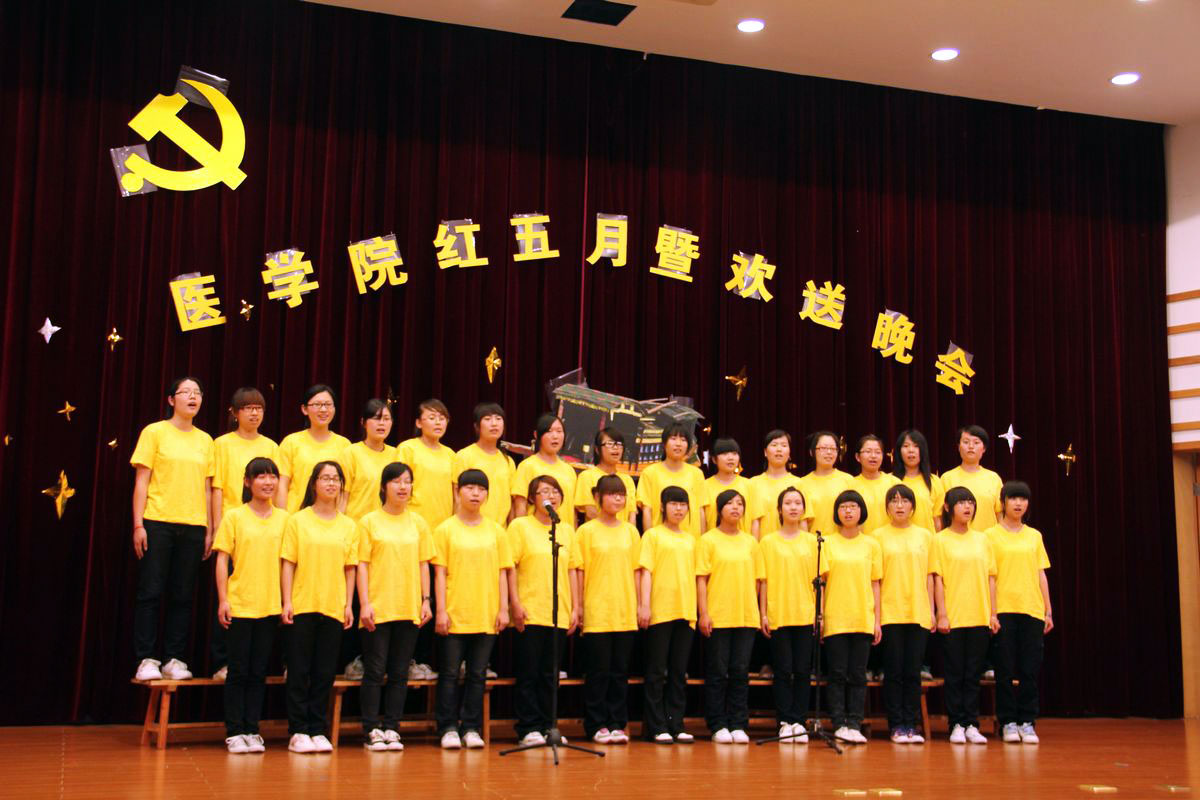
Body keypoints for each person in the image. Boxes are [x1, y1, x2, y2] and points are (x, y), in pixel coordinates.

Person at [131, 376, 215, 682]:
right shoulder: (154, 432)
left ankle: (174, 659)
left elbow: (207, 489)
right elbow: (142, 481)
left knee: (183, 595)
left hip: (194, 526)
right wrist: (138, 524)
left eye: (198, 393)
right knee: (151, 592)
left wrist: (210, 529)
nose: (193, 397)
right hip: (158, 522)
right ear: (171, 399)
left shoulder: (206, 440)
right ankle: (146, 658)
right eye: (186, 392)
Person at [280, 461, 358, 753]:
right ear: (314, 484)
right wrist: (287, 600)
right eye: (325, 478)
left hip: (334, 605)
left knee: (325, 672)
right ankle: (298, 730)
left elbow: (350, 568)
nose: (331, 483)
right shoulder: (297, 521)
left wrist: (348, 604)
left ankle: (317, 728)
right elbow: (288, 563)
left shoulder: (348, 525)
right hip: (302, 604)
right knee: (299, 670)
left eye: (336, 479)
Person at [433, 469, 513, 749]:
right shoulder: (445, 529)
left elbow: (503, 572)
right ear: (458, 492)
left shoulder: (496, 531)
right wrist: (441, 610)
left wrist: (503, 609)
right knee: (450, 673)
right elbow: (439, 573)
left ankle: (470, 727)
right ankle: (447, 727)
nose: (475, 493)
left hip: (486, 612)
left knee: (478, 674)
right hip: (455, 611)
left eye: (481, 489)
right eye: (469, 488)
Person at [357, 462, 434, 752]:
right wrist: (365, 603)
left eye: (407, 481)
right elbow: (362, 565)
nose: (403, 487)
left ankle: (392, 726)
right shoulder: (369, 522)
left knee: (400, 672)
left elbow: (423, 563)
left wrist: (426, 600)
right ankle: (371, 729)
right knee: (375, 670)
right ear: (383, 486)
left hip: (408, 605)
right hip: (378, 606)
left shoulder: (419, 523)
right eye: (397, 481)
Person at [213, 457, 286, 754]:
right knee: (239, 671)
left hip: (270, 605)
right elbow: (222, 560)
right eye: (261, 477)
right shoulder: (234, 516)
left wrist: (287, 601)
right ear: (248, 482)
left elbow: (288, 564)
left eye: (272, 476)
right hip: (240, 603)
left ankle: (252, 729)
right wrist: (223, 599)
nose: (268, 482)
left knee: (258, 671)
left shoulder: (285, 520)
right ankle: (235, 731)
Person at [209, 388, 278, 680]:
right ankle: (223, 662)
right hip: (233, 526)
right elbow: (217, 488)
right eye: (248, 408)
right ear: (235, 413)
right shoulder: (222, 444)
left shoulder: (271, 446)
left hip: (263, 530)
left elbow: (277, 488)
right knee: (227, 597)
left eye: (258, 408)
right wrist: (215, 527)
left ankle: (256, 664)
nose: (254, 413)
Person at [507, 475, 581, 746]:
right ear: (531, 498)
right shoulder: (520, 526)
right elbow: (510, 567)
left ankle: (549, 726)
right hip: (530, 610)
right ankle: (528, 728)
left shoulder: (566, 530)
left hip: (558, 612)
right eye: (544, 491)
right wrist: (514, 603)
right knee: (529, 673)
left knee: (551, 675)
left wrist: (575, 606)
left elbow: (572, 569)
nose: (552, 496)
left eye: (555, 491)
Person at [573, 475, 641, 745]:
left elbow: (637, 571)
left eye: (621, 495)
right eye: (612, 494)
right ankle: (596, 724)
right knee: (598, 672)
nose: (617, 499)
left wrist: (640, 604)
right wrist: (579, 606)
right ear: (597, 497)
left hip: (624, 609)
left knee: (619, 672)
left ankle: (616, 723)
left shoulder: (631, 532)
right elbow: (579, 571)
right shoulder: (586, 532)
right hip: (597, 608)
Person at [987, 481, 1053, 744]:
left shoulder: (1034, 536)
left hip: (1031, 609)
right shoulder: (990, 536)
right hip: (1004, 609)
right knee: (1004, 670)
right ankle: (1008, 722)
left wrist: (1048, 610)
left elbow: (1041, 573)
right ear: (1003, 503)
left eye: (1023, 499)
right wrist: (992, 612)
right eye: (1013, 498)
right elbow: (990, 577)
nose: (1018, 504)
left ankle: (1027, 721)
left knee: (1029, 670)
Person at [696, 489, 764, 744]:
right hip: (718, 615)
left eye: (740, 504)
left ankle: (738, 724)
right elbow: (701, 580)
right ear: (719, 509)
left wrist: (753, 608)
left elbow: (757, 580)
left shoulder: (751, 542)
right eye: (730, 503)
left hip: (745, 616)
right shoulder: (708, 540)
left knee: (740, 672)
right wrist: (704, 613)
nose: (735, 508)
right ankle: (717, 724)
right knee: (717, 673)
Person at [933, 486, 999, 745]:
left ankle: (972, 723)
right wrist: (942, 614)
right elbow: (938, 579)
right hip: (954, 616)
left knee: (973, 674)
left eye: (970, 502)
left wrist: (992, 613)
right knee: (955, 674)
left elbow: (991, 578)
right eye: (961, 502)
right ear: (948, 508)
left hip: (979, 615)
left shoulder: (983, 539)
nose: (967, 507)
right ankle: (956, 724)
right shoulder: (940, 540)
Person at [397, 399, 455, 682]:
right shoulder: (408, 449)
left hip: (442, 537)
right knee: (414, 599)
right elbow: (399, 486)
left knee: (439, 601)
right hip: (413, 534)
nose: (438, 422)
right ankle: (409, 659)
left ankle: (430, 661)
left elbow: (455, 495)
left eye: (442, 417)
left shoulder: (451, 455)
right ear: (419, 423)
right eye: (431, 417)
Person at [759, 487, 821, 744]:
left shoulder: (813, 542)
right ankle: (785, 721)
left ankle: (799, 720)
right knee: (783, 670)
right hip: (779, 612)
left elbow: (819, 581)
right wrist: (763, 613)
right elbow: (763, 580)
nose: (793, 507)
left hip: (805, 613)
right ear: (779, 509)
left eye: (798, 503)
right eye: (788, 503)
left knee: (803, 671)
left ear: (804, 509)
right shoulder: (768, 542)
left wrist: (819, 613)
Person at [875, 484, 935, 744]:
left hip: (918, 611)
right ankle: (896, 725)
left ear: (913, 506)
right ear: (887, 507)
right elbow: (875, 580)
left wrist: (932, 610)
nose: (899, 505)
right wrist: (876, 616)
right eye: (894, 501)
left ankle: (912, 724)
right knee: (894, 671)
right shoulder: (877, 537)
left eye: (904, 501)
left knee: (913, 672)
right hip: (890, 612)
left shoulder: (925, 536)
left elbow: (931, 576)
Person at [638, 487, 699, 744]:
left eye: (683, 504)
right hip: (659, 610)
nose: (679, 509)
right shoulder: (652, 536)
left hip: (686, 610)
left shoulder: (691, 540)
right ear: (663, 507)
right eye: (673, 504)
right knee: (656, 672)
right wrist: (644, 605)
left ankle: (676, 724)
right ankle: (656, 726)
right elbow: (646, 572)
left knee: (678, 672)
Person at [821, 490, 882, 744]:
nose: (848, 511)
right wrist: (821, 616)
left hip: (862, 616)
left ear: (861, 512)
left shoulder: (872, 545)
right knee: (836, 673)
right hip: (835, 616)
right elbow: (822, 584)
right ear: (837, 512)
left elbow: (876, 583)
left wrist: (877, 619)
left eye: (853, 507)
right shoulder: (827, 542)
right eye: (843, 507)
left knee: (858, 674)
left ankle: (855, 723)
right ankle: (838, 723)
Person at [277, 385, 351, 512]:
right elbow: (282, 485)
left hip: (331, 517)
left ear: (334, 409)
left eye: (328, 404)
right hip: (295, 516)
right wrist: (283, 516)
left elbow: (345, 489)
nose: (323, 409)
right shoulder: (291, 442)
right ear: (304, 409)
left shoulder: (344, 445)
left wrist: (339, 518)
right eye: (317, 404)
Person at [637, 424, 707, 538]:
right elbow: (647, 510)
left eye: (683, 440)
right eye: (673, 438)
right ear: (664, 444)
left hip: (691, 541)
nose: (678, 443)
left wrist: (702, 541)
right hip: (660, 540)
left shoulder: (697, 474)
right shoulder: (650, 473)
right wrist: (649, 539)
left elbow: (701, 510)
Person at [452, 403, 517, 526]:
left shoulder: (508, 461)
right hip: (470, 528)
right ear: (477, 426)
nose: (494, 423)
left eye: (498, 419)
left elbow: (511, 503)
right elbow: (457, 497)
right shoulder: (464, 456)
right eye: (487, 419)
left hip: (500, 531)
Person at [512, 414, 578, 522]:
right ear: (537, 435)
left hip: (564, 531)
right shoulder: (527, 466)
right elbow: (520, 506)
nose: (555, 436)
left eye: (559, 431)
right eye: (549, 431)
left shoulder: (569, 470)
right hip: (536, 530)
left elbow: (572, 510)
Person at [341, 399, 397, 522]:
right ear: (363, 422)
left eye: (386, 419)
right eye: (376, 418)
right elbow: (342, 497)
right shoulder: (351, 453)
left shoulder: (396, 454)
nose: (381, 423)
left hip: (386, 525)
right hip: (356, 524)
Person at [940, 425, 1003, 531]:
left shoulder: (994, 478)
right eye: (966, 442)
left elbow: (1000, 514)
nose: (971, 446)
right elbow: (941, 515)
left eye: (976, 442)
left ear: (984, 448)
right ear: (958, 447)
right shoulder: (947, 478)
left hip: (988, 539)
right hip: (956, 539)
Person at [748, 429, 806, 538]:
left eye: (784, 445)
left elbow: (803, 520)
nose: (779, 449)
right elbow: (753, 521)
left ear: (789, 453)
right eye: (774, 445)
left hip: (793, 545)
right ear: (765, 452)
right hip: (764, 545)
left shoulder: (799, 483)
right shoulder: (753, 483)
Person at [573, 428, 637, 525]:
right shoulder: (587, 476)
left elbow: (632, 515)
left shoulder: (627, 480)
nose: (615, 448)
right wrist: (612, 529)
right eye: (610, 444)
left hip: (624, 533)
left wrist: (629, 532)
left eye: (619, 444)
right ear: (597, 449)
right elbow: (590, 512)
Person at [797, 431, 854, 538]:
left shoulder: (848, 480)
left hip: (842, 543)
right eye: (823, 448)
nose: (829, 452)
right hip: (814, 543)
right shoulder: (802, 483)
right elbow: (801, 521)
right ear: (812, 452)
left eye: (833, 449)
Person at [703, 438, 758, 538]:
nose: (730, 458)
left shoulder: (749, 485)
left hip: (743, 544)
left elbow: (755, 520)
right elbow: (702, 522)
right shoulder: (705, 486)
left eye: (734, 454)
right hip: (714, 543)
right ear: (714, 459)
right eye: (725, 454)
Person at [891, 429, 944, 533]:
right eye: (906, 446)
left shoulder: (934, 481)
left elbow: (937, 520)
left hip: (927, 540)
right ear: (899, 451)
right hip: (895, 540)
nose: (911, 450)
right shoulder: (890, 480)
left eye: (916, 446)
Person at [851, 435, 900, 536]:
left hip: (891, 540)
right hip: (862, 541)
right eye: (868, 451)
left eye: (878, 452)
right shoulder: (850, 485)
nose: (873, 456)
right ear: (857, 457)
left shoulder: (894, 483)